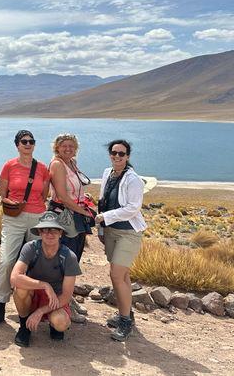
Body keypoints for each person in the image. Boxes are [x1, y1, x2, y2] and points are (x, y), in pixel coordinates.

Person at [0, 130, 50, 327]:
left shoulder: (41, 168)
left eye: (31, 141)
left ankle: (32, 306)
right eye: (24, 141)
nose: (28, 144)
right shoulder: (9, 166)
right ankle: (0, 304)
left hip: (37, 217)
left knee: (35, 263)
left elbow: (44, 195)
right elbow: (3, 193)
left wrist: (33, 209)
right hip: (14, 218)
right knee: (7, 261)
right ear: (17, 144)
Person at [95, 139, 147, 342]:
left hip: (128, 233)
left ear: (128, 156)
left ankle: (125, 322)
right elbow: (103, 201)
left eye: (121, 154)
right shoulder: (108, 173)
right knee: (122, 276)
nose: (117, 157)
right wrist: (102, 227)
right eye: (114, 153)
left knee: (116, 275)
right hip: (111, 232)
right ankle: (127, 313)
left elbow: (133, 208)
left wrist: (105, 218)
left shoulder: (133, 179)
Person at [10, 211, 82, 347]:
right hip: (33, 293)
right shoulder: (30, 248)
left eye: (55, 230)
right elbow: (14, 278)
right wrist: (44, 285)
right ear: (40, 232)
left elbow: (66, 296)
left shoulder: (69, 256)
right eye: (45, 230)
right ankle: (24, 326)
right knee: (20, 288)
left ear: (61, 233)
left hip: (55, 298)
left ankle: (52, 323)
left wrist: (40, 311)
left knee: (61, 323)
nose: (50, 233)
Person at [48, 133, 95, 262]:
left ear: (76, 149)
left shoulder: (72, 162)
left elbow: (70, 188)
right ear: (57, 147)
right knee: (65, 254)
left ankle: (68, 282)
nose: (68, 149)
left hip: (75, 213)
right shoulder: (57, 164)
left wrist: (82, 196)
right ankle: (58, 282)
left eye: (72, 146)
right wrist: (85, 212)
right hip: (63, 215)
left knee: (75, 253)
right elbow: (62, 197)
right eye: (64, 146)